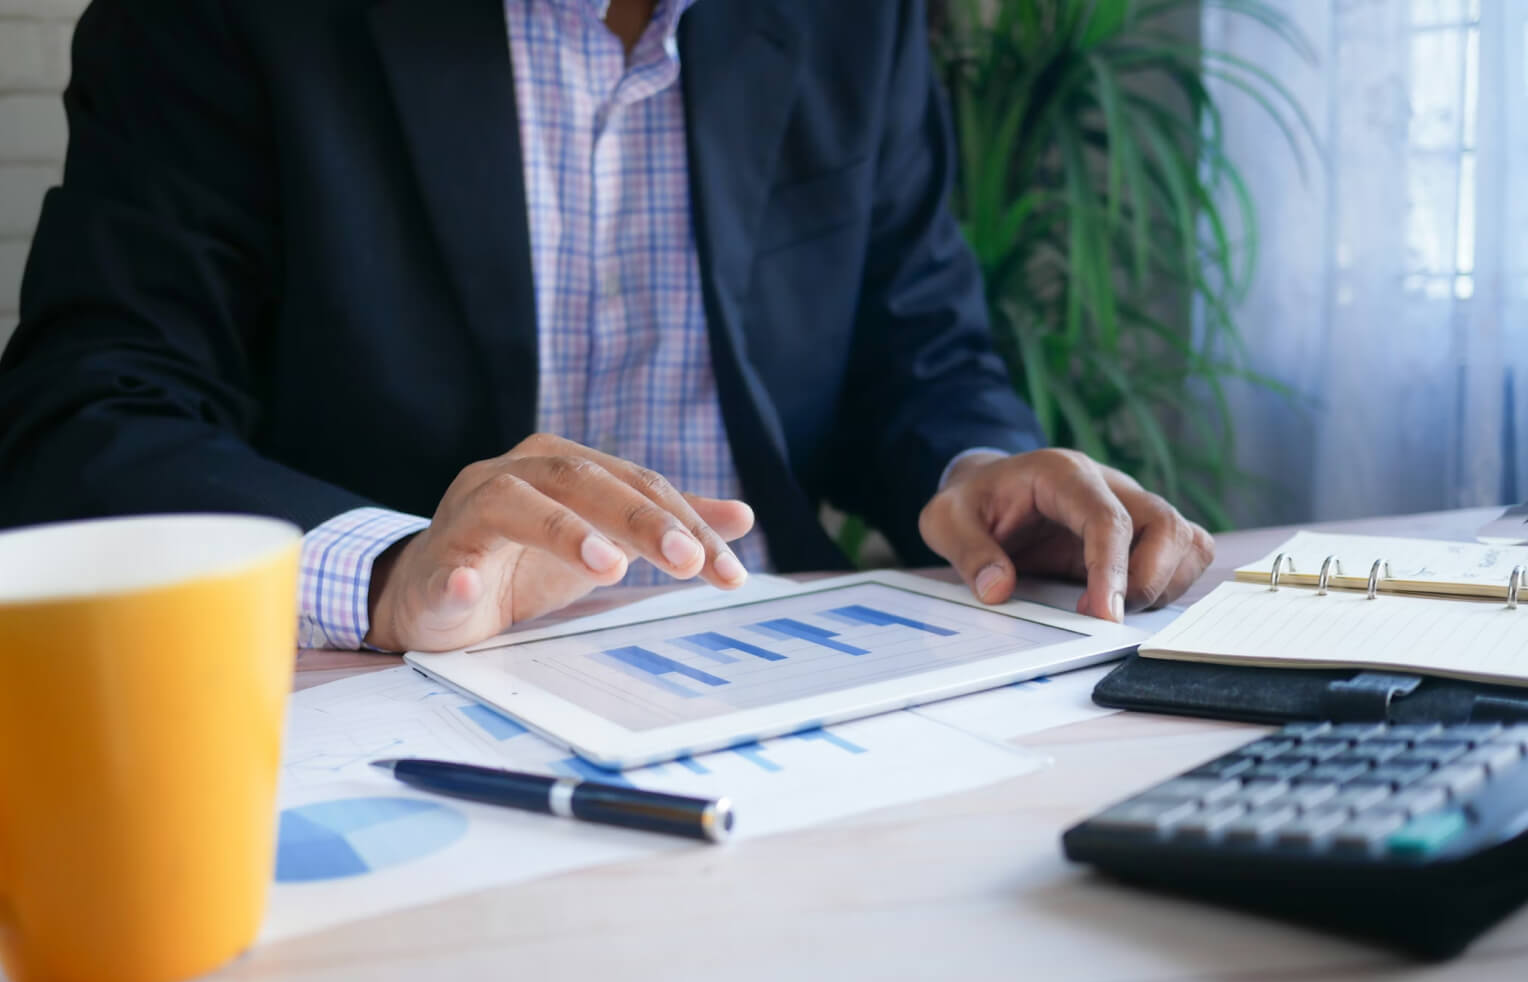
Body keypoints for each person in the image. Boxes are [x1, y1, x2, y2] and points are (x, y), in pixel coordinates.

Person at [0, 0, 1213, 653]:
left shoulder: (854, 18)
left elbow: (917, 351)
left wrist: (979, 468)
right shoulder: (220, 18)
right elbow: (85, 418)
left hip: (782, 668)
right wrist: (390, 570)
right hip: (398, 688)